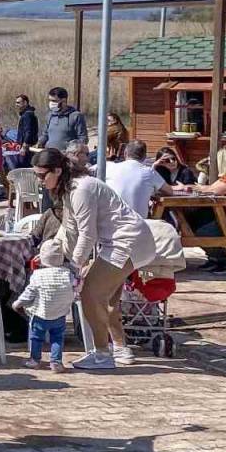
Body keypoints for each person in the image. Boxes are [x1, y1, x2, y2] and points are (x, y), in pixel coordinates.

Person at [32, 148, 155, 370]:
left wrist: (74, 266)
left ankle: (102, 354)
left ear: (58, 170)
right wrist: (50, 252)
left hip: (128, 241)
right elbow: (69, 228)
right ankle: (118, 348)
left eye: (42, 175)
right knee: (106, 297)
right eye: (36, 175)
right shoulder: (69, 188)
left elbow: (87, 234)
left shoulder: (81, 189)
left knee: (89, 291)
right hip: (117, 243)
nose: (39, 181)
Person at [13, 238, 79, 374]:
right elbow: (76, 287)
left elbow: (29, 292)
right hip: (60, 314)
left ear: (41, 258)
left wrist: (18, 303)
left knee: (36, 337)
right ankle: (56, 362)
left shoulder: (38, 275)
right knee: (57, 338)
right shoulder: (67, 274)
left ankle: (35, 360)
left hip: (40, 313)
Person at [188, 145, 226, 274]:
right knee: (200, 218)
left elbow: (212, 190)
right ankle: (217, 258)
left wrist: (191, 187)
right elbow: (210, 188)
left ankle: (225, 260)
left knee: (202, 231)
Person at [104, 140, 172, 217]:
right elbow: (169, 191)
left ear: (125, 153)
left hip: (111, 222)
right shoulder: (149, 172)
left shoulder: (109, 167)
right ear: (144, 157)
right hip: (137, 223)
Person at [37, 87, 87, 151]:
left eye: (54, 101)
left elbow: (83, 139)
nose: (51, 103)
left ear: (63, 100)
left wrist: (74, 151)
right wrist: (40, 142)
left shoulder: (76, 116)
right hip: (49, 154)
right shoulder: (50, 115)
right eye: (50, 100)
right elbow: (45, 134)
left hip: (66, 157)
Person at [14, 95, 40, 167]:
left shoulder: (28, 115)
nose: (16, 105)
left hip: (28, 147)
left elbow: (29, 131)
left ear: (25, 103)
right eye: (16, 103)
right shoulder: (27, 114)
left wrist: (24, 146)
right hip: (26, 146)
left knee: (22, 167)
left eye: (18, 103)